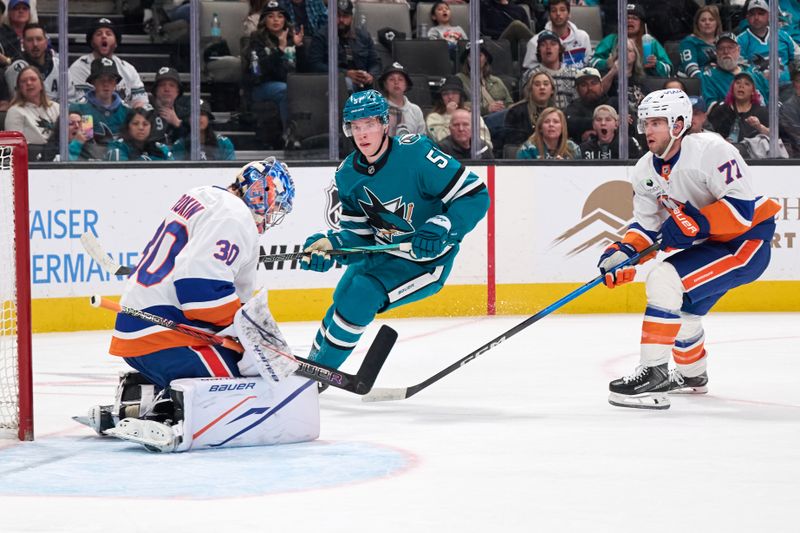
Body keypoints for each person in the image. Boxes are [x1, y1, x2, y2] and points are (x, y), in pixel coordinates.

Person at [86, 159, 317, 452]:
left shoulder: (204, 195)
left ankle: (138, 397)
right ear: (261, 195)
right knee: (254, 383)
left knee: (250, 362)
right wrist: (246, 333)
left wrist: (244, 330)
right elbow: (198, 291)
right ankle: (168, 414)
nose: (272, 215)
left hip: (140, 332)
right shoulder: (235, 217)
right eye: (275, 205)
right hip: (164, 337)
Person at [597, 88, 780, 410]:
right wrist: (623, 252)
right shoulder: (643, 170)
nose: (647, 130)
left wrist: (697, 224)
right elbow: (646, 226)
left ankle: (653, 374)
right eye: (645, 122)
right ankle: (693, 374)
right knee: (681, 312)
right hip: (713, 246)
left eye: (656, 122)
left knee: (664, 279)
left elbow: (741, 212)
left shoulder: (712, 150)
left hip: (746, 244)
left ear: (678, 125)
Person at [298, 89, 489, 370]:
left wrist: (443, 225)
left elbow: (475, 194)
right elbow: (359, 237)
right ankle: (312, 364)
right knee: (344, 294)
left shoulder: (416, 155)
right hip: (383, 253)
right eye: (355, 126)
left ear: (384, 124)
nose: (362, 134)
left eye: (370, 125)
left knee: (362, 293)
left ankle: (319, 373)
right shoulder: (347, 173)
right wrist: (331, 246)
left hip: (424, 262)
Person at [243, 0, 306, 137]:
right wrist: (280, 50)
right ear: (264, 20)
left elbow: (306, 71)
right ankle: (289, 136)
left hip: (292, 84)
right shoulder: (256, 39)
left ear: (285, 19)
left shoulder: (292, 38)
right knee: (285, 90)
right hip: (261, 87)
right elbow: (258, 72)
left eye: (280, 16)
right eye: (270, 16)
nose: (275, 20)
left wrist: (300, 47)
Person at [67, 17, 148, 106]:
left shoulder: (128, 69)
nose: (104, 36)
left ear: (116, 42)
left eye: (109, 34)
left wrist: (138, 109)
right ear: (91, 41)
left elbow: (142, 101)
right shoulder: (78, 68)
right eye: (98, 34)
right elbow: (76, 104)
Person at [307, 0, 380, 93]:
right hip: (336, 82)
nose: (341, 20)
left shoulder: (363, 36)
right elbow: (315, 65)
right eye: (337, 16)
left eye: (345, 16)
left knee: (388, 81)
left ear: (351, 18)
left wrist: (371, 75)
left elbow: (375, 62)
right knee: (346, 83)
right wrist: (345, 74)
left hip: (364, 80)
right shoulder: (321, 36)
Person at [589, 3, 673, 78]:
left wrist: (656, 64)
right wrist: (606, 63)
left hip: (646, 83)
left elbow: (669, 69)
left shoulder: (650, 42)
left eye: (634, 18)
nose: (629, 21)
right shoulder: (611, 39)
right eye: (626, 18)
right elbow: (592, 62)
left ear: (641, 24)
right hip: (616, 82)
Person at [68, 57, 130, 153]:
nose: (106, 84)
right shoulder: (80, 109)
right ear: (93, 82)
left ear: (115, 83)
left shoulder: (127, 111)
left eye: (110, 79)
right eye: (101, 79)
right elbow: (86, 144)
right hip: (88, 163)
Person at [736, 0, 798, 88]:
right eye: (752, 14)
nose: (756, 17)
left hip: (787, 88)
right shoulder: (740, 41)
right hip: (758, 91)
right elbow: (739, 69)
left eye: (761, 13)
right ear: (747, 17)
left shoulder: (783, 35)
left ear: (768, 16)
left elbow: (798, 57)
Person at [3, 64, 58, 159]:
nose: (28, 83)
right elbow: (14, 147)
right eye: (23, 81)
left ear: (41, 84)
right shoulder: (15, 111)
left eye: (33, 79)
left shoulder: (57, 107)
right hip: (31, 159)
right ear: (20, 89)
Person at [701, 32, 769, 107]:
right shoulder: (709, 76)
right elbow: (711, 107)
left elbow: (771, 97)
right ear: (716, 52)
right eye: (721, 48)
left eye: (730, 47)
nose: (726, 52)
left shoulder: (754, 71)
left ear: (738, 50)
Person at [707, 72, 770, 152]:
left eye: (747, 84)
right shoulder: (720, 110)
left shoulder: (761, 112)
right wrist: (721, 141)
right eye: (738, 83)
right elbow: (708, 134)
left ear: (753, 91)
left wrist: (759, 127)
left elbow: (774, 137)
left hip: (753, 158)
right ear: (732, 88)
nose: (741, 86)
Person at [523, 0, 592, 70]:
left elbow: (589, 68)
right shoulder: (535, 42)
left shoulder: (583, 37)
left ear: (569, 14)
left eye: (562, 10)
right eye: (553, 10)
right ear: (549, 15)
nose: (558, 13)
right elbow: (529, 75)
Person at [426, 76, 492, 149]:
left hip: (472, 155)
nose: (450, 97)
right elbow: (441, 140)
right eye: (445, 94)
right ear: (441, 98)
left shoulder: (472, 116)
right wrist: (450, 116)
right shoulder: (434, 117)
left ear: (461, 96)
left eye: (454, 93)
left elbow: (487, 143)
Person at [522, 30, 578, 109]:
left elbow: (578, 105)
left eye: (553, 44)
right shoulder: (531, 75)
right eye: (543, 45)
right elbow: (527, 105)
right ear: (539, 50)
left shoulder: (574, 73)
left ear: (560, 49)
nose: (548, 47)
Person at [4, 22, 58, 101]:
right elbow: (20, 102)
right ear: (23, 44)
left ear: (46, 42)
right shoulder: (17, 68)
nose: (35, 44)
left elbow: (71, 99)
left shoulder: (58, 64)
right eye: (29, 40)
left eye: (39, 39)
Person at [564, 66, 616, 144]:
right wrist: (612, 121)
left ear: (601, 86)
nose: (590, 88)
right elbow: (571, 123)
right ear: (577, 89)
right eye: (584, 85)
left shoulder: (614, 103)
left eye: (594, 83)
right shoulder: (573, 107)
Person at [172, 99, 236, 160]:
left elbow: (231, 169)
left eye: (202, 114)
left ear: (208, 119)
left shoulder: (224, 143)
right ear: (188, 119)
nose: (199, 118)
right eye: (194, 114)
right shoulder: (180, 145)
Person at [106, 107, 175, 161]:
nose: (141, 128)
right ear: (127, 127)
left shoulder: (161, 149)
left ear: (151, 128)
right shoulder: (117, 147)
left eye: (145, 124)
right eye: (135, 124)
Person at [378, 61, 426, 136]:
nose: (396, 82)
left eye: (400, 79)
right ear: (385, 85)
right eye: (391, 79)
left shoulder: (415, 110)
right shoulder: (377, 109)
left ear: (406, 85)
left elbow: (422, 139)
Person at [517, 106, 581, 159]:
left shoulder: (573, 148)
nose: (551, 125)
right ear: (540, 128)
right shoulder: (528, 149)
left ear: (562, 128)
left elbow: (579, 173)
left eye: (556, 122)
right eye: (546, 122)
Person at [148, 66, 189, 146]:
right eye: (162, 85)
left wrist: (178, 124)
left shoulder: (185, 114)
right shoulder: (145, 112)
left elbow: (194, 143)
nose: (167, 89)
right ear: (155, 90)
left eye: (172, 85)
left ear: (178, 91)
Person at [678, 5, 722, 79]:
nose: (707, 23)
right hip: (693, 83)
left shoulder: (724, 41)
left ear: (717, 23)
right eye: (703, 20)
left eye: (711, 19)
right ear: (697, 24)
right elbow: (691, 70)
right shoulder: (688, 42)